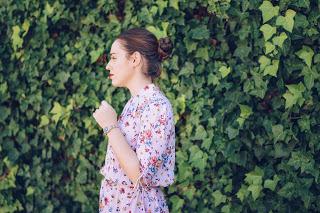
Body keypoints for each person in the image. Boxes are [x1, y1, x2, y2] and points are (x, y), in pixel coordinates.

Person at [92, 27, 175, 213]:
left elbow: (140, 175)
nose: (108, 65)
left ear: (135, 59)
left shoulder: (156, 106)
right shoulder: (135, 103)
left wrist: (110, 126)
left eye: (114, 58)